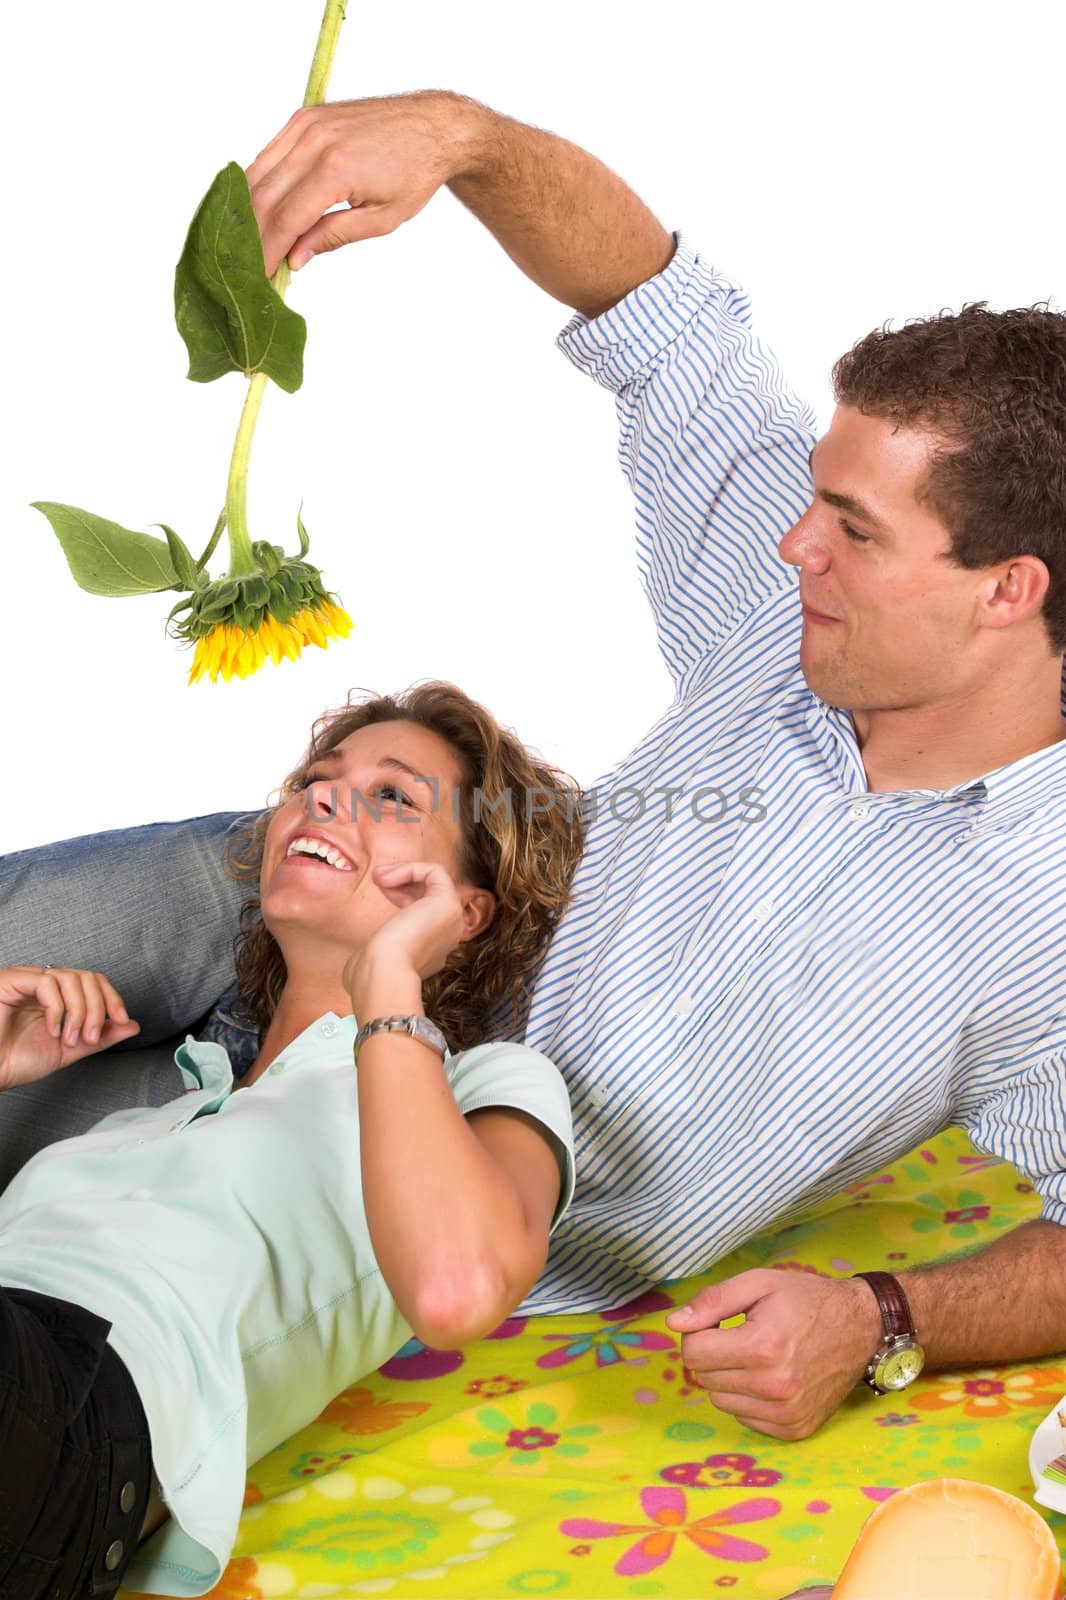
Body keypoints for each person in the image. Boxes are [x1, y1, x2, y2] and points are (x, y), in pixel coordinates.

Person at [4, 89, 1066, 1448]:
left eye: (852, 530)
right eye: (809, 497)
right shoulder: (781, 594)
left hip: (378, 1180)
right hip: (317, 898)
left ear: (1005, 591)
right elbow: (663, 321)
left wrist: (883, 1318)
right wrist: (461, 140)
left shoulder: (1040, 926)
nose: (794, 547)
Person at [0, 681, 581, 1598]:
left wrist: (390, 976)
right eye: (315, 779)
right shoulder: (156, 1113)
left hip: (77, 1407)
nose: (320, 798)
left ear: (465, 911)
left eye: (391, 797)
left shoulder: (481, 1086)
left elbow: (457, 1286)